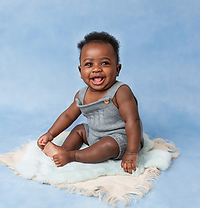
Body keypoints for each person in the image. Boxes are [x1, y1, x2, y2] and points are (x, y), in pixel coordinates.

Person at [37, 31, 144, 174]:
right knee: (80, 129)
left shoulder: (121, 92)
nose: (96, 69)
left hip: (120, 138)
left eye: (104, 63)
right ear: (80, 71)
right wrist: (50, 134)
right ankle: (64, 150)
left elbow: (133, 120)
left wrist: (131, 152)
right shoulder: (82, 94)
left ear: (117, 69)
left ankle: (73, 156)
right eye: (89, 64)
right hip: (94, 134)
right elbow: (68, 116)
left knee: (107, 145)